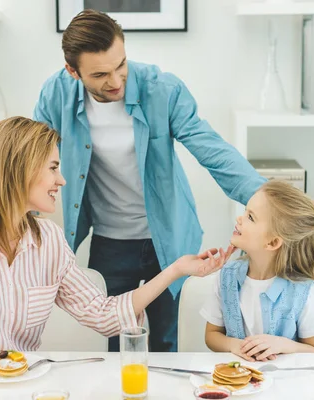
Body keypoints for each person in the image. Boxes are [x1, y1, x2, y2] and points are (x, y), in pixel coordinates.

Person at [32, 9, 273, 352]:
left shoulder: (162, 89)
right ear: (73, 72)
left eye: (121, 65)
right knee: (115, 341)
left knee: (166, 339)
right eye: (100, 74)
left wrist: (268, 200)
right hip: (109, 241)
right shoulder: (56, 94)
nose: (116, 80)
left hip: (169, 239)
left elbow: (210, 148)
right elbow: (30, 160)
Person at [0, 117, 233, 360]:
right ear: (21, 169)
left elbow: (104, 315)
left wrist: (176, 268)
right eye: (53, 168)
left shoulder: (47, 241)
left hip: (16, 384)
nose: (61, 180)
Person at [200, 180, 314, 362]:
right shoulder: (226, 276)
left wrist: (283, 345)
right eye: (245, 212)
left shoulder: (304, 292)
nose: (239, 218)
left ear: (272, 243)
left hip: (285, 385)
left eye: (250, 217)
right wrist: (234, 346)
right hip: (236, 384)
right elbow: (212, 336)